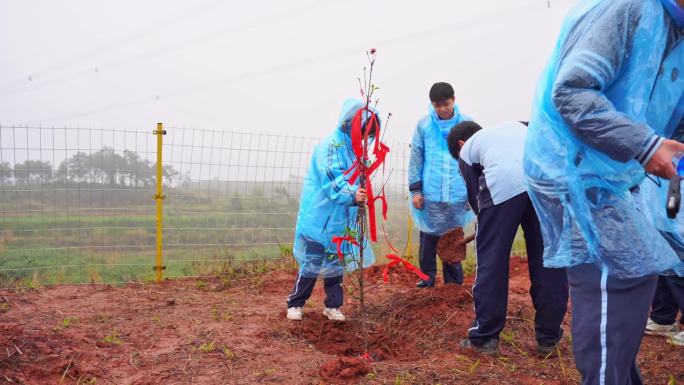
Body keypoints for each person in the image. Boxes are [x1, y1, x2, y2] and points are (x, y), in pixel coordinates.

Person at [523, 0, 684, 383]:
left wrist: (669, 147)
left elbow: (670, 118)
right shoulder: (629, 10)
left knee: (631, 275)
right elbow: (572, 92)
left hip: (612, 172)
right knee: (618, 276)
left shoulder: (677, 36)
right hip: (569, 166)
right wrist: (645, 145)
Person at [447, 121, 569, 356]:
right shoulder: (515, 126)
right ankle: (549, 339)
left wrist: (485, 224)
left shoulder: (466, 151)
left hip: (503, 183)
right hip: (545, 181)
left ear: (460, 144)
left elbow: (476, 197)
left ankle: (484, 339)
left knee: (491, 261)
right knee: (549, 260)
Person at [286, 99, 378, 322]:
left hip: (339, 221)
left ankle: (333, 306)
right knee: (312, 262)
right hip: (320, 219)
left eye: (370, 134)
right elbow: (332, 181)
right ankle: (296, 303)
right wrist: (352, 194)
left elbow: (357, 177)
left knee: (336, 265)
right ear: (352, 125)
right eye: (364, 132)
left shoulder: (356, 150)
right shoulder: (330, 147)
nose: (367, 139)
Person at [408, 82, 471, 288]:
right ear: (432, 104)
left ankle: (454, 283)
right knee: (428, 236)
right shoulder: (424, 126)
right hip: (431, 192)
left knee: (453, 237)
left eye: (446, 103)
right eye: (437, 105)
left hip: (458, 193)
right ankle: (427, 278)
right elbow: (416, 158)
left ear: (454, 100)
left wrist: (473, 193)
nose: (442, 108)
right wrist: (416, 190)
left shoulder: (467, 126)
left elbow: (475, 160)